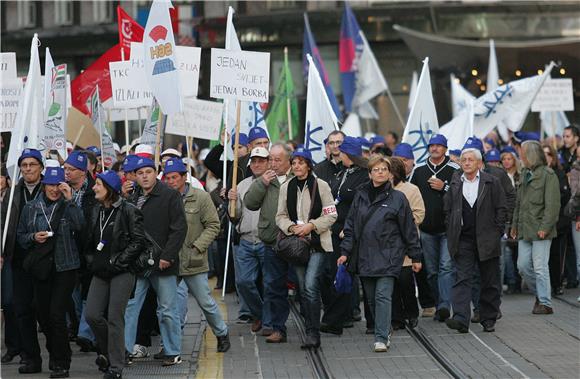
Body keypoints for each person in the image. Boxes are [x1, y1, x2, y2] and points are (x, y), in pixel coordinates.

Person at [338, 156, 422, 353]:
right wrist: (345, 252)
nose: (381, 172)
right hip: (365, 255)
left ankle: (381, 337)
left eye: (384, 169)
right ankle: (383, 328)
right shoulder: (360, 196)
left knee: (383, 295)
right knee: (372, 299)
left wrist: (415, 256)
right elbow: (350, 226)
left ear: (390, 173)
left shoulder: (398, 198)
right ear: (369, 173)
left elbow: (409, 229)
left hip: (389, 255)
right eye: (376, 170)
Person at [16, 167, 85, 378]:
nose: (54, 189)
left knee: (57, 314)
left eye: (58, 185)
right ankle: (55, 352)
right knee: (43, 315)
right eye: (50, 185)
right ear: (44, 185)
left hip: (66, 267)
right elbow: (20, 235)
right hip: (42, 268)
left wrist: (70, 200)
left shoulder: (69, 205)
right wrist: (33, 237)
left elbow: (81, 226)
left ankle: (61, 361)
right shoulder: (31, 207)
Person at [123, 157, 187, 366]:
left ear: (155, 173)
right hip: (138, 264)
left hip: (163, 264)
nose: (144, 176)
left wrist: (167, 257)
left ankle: (172, 351)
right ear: (135, 176)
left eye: (148, 172)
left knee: (167, 309)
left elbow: (179, 229)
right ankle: (124, 350)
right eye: (139, 173)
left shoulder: (170, 195)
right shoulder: (131, 198)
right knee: (131, 307)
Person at [164, 158, 231, 353]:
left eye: (174, 177)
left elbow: (213, 225)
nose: (170, 181)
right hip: (170, 260)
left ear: (184, 177)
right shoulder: (163, 198)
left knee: (205, 302)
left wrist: (198, 246)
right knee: (168, 306)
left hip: (193, 259)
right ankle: (168, 344)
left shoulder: (201, 198)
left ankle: (221, 332)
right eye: (167, 178)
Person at [84, 171, 147, 379]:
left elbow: (138, 241)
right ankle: (109, 350)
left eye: (98, 184)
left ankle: (116, 366)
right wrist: (93, 262)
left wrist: (119, 262)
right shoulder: (96, 210)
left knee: (114, 318)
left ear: (109, 188)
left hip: (123, 270)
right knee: (92, 314)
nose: (94, 187)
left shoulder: (129, 210)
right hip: (100, 271)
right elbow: (90, 242)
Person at [276, 148, 337, 348]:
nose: (297, 166)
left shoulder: (321, 186)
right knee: (303, 288)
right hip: (297, 246)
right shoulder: (287, 187)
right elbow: (280, 216)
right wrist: (292, 227)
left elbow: (331, 214)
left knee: (311, 286)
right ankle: (310, 325)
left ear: (309, 165)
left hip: (318, 243)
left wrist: (311, 226)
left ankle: (313, 333)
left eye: (301, 162)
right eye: (294, 163)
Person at [444, 148, 506, 334]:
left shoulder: (491, 182)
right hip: (463, 238)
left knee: (489, 280)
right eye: (464, 160)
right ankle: (461, 318)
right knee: (462, 278)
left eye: (471, 160)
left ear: (479, 163)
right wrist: (451, 227)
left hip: (487, 239)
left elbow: (501, 208)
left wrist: (497, 231)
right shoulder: (455, 183)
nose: (467, 163)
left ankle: (488, 318)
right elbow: (447, 209)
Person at [244, 143, 293, 343]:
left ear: (288, 161)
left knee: (305, 286)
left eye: (277, 159)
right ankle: (278, 328)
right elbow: (250, 203)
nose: (272, 163)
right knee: (273, 285)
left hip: (296, 241)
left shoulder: (297, 176)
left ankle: (310, 326)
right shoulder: (265, 179)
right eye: (270, 159)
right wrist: (261, 183)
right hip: (272, 241)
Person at [321, 137, 369, 335]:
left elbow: (361, 205)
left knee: (343, 274)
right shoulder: (342, 172)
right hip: (333, 228)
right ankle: (338, 316)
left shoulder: (364, 176)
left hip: (349, 231)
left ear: (350, 155)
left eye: (342, 152)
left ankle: (337, 319)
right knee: (333, 274)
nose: (338, 155)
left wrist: (349, 228)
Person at [3, 149, 45, 373]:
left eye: (32, 164)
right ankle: (30, 357)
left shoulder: (51, 189)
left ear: (40, 167)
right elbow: (3, 223)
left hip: (46, 260)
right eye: (24, 165)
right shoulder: (13, 194)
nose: (28, 169)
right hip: (19, 259)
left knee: (47, 312)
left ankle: (59, 358)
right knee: (21, 309)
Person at [411, 134, 459, 321]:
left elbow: (463, 194)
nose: (435, 149)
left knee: (446, 267)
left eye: (439, 146)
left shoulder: (455, 169)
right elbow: (411, 194)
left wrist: (444, 187)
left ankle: (445, 306)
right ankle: (439, 303)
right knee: (431, 271)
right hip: (426, 230)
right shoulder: (419, 170)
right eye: (432, 145)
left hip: (447, 229)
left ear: (445, 149)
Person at [511, 140, 560, 314]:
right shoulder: (524, 173)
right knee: (522, 266)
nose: (520, 157)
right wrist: (514, 225)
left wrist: (545, 227)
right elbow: (518, 203)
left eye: (522, 153)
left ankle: (545, 303)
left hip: (541, 229)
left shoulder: (549, 175)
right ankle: (540, 294)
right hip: (525, 228)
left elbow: (553, 205)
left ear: (530, 155)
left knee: (540, 267)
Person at [227, 147, 271, 333]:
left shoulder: (276, 183)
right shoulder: (242, 185)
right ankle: (260, 314)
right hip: (245, 240)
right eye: (254, 161)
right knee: (243, 282)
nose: (257, 164)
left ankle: (270, 321)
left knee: (270, 284)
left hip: (266, 241)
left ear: (269, 162)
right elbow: (235, 217)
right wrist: (232, 201)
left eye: (261, 161)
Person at [64, 150, 98, 352]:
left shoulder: (95, 190)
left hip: (89, 250)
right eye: (65, 168)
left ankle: (86, 334)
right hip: (67, 250)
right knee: (72, 293)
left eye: (71, 169)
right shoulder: (59, 188)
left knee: (87, 292)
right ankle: (77, 328)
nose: (66, 173)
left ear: (83, 172)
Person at [389, 157, 425, 330]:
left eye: (390, 172)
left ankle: (411, 312)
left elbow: (419, 214)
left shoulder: (411, 190)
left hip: (405, 241)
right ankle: (396, 317)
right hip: (386, 244)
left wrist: (402, 220)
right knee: (392, 281)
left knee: (405, 279)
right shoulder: (381, 189)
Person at [543, 143, 571, 296]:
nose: (546, 157)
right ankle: (546, 286)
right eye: (544, 154)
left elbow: (564, 195)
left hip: (559, 221)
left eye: (549, 154)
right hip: (543, 222)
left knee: (556, 254)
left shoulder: (559, 174)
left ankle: (557, 283)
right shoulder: (538, 173)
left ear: (553, 157)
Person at [500, 146, 522, 294]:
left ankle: (518, 281)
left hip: (519, 218)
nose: (507, 162)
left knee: (518, 252)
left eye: (509, 159)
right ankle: (512, 281)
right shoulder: (500, 175)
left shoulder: (520, 176)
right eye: (504, 159)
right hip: (506, 219)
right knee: (506, 251)